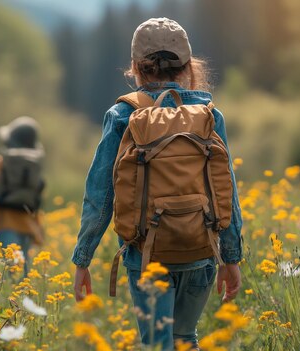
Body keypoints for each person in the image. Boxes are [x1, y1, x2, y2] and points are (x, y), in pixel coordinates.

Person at [71, 18, 243, 350]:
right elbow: (227, 190)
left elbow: (100, 195)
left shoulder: (123, 115)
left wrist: (83, 258)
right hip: (203, 247)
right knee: (185, 339)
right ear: (188, 66)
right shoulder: (208, 114)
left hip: (147, 254)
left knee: (158, 343)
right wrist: (231, 257)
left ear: (135, 67)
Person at [0, 116, 45, 274]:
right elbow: (38, 194)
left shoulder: (2, 160)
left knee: (12, 274)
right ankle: (25, 299)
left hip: (6, 225)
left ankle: (18, 299)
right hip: (29, 226)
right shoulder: (35, 163)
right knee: (22, 274)